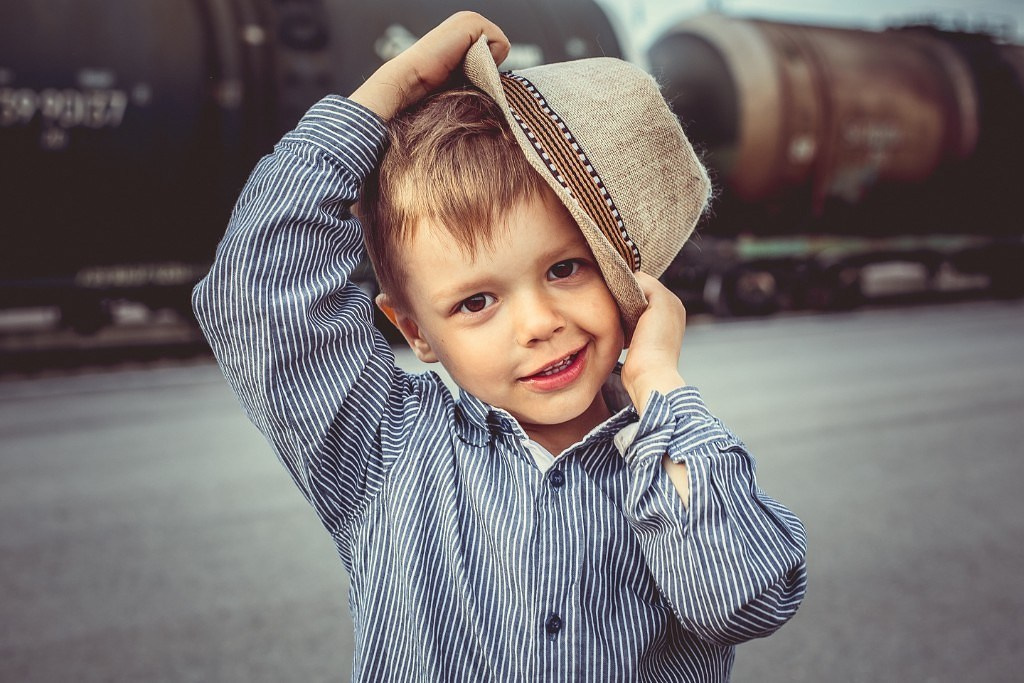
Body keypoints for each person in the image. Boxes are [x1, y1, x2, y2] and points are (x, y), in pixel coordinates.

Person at [193, 11, 807, 682]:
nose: (538, 322)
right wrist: (389, 90)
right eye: (476, 301)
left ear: (623, 271)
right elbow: (253, 293)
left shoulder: (671, 456)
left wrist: (658, 381)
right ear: (417, 331)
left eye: (564, 268)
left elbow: (745, 598)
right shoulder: (383, 446)